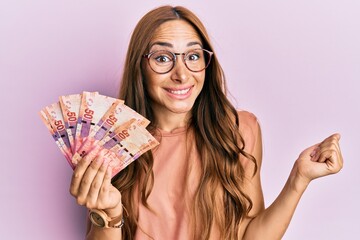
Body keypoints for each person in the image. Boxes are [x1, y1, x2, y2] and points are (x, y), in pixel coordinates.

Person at [69, 5, 343, 240]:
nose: (182, 74)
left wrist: (299, 178)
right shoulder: (110, 142)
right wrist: (108, 214)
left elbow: (251, 236)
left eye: (193, 56)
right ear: (140, 66)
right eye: (163, 58)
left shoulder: (238, 130)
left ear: (206, 63)